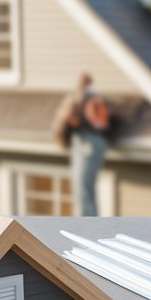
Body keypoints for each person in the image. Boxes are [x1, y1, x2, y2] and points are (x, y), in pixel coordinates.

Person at [52, 72, 110, 217]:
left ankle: (87, 221)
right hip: (81, 141)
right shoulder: (78, 98)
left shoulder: (92, 99)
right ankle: (83, 218)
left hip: (89, 142)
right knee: (80, 187)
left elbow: (98, 122)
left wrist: (76, 117)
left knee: (84, 187)